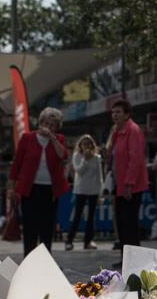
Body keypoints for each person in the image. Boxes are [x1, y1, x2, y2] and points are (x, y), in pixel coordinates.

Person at [8, 107, 69, 256]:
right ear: (40, 123)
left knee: (47, 227)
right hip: (30, 189)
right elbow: (17, 163)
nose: (49, 127)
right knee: (30, 227)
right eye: (46, 124)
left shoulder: (59, 139)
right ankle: (28, 260)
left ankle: (45, 261)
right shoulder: (27, 138)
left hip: (50, 190)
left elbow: (63, 155)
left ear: (57, 127)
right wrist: (11, 187)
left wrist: (52, 138)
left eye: (52, 125)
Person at [109, 99, 149, 264]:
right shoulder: (118, 131)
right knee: (122, 224)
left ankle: (134, 260)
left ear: (127, 114)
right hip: (119, 184)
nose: (115, 115)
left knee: (129, 224)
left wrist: (128, 184)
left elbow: (136, 159)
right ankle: (125, 259)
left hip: (130, 186)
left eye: (118, 112)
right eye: (113, 112)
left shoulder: (133, 130)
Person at [65, 134, 102, 251]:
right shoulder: (77, 155)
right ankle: (69, 241)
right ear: (80, 145)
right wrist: (85, 160)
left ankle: (88, 241)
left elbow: (99, 175)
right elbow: (79, 171)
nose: (86, 146)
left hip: (94, 190)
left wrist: (101, 192)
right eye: (84, 144)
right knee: (77, 216)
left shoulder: (97, 157)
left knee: (91, 217)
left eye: (89, 144)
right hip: (81, 189)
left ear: (92, 145)